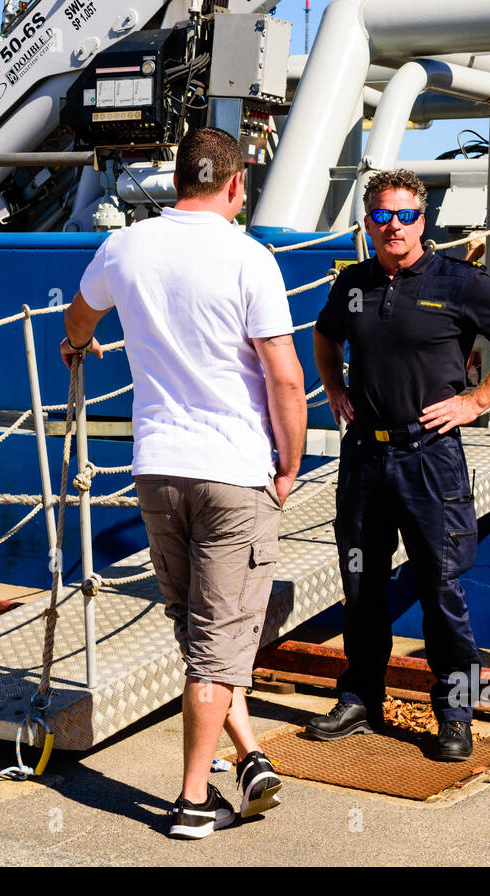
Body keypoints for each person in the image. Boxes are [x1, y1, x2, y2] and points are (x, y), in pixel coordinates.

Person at [60, 127, 307, 839]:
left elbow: (79, 318)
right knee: (218, 642)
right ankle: (194, 802)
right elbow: (285, 377)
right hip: (235, 471)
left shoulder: (127, 246)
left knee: (200, 634)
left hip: (158, 468)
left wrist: (78, 347)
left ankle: (251, 755)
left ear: (175, 182)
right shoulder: (249, 258)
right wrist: (288, 462)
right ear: (236, 185)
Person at [309, 170, 490, 760]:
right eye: (382, 216)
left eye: (405, 215)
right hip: (364, 455)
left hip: (429, 458)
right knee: (360, 585)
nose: (394, 226)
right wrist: (334, 387)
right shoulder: (352, 284)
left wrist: (477, 401)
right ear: (367, 222)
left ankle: (454, 714)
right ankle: (362, 696)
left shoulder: (459, 283)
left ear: (424, 220)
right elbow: (324, 335)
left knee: (441, 589)